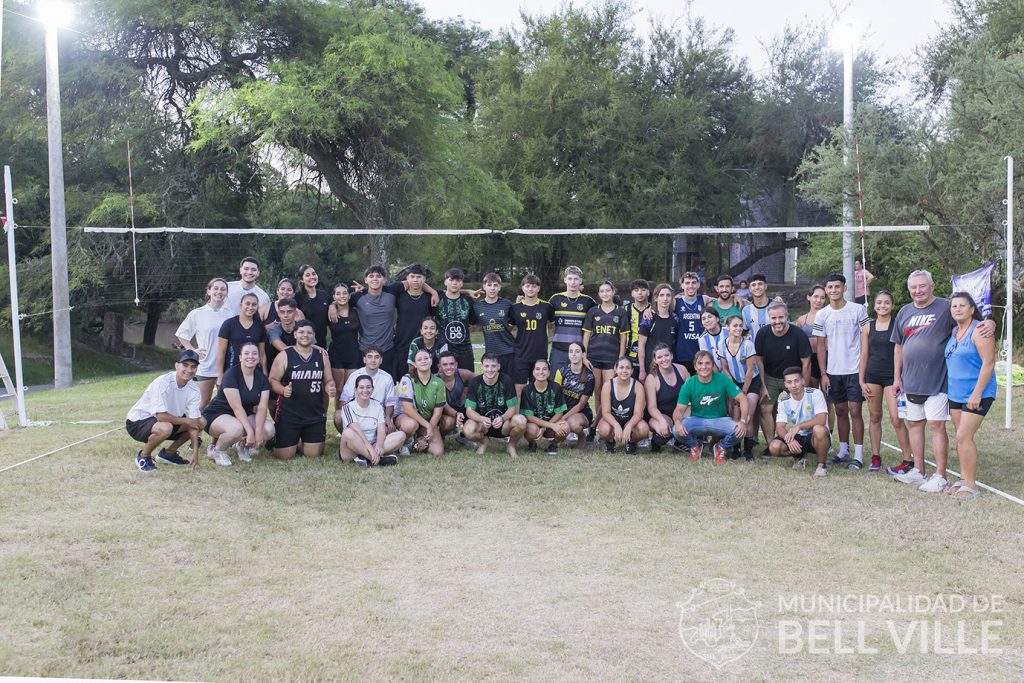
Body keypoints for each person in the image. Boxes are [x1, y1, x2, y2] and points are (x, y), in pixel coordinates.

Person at [891, 270, 994, 490]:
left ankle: (940, 475)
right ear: (909, 289)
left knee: (937, 426)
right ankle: (918, 471)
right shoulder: (904, 312)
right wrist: (896, 377)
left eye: (922, 286)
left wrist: (990, 323)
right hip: (911, 380)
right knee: (915, 424)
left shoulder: (946, 307)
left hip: (937, 379)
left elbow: (971, 317)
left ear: (932, 286)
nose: (918, 290)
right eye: (914, 287)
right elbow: (899, 346)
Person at [943, 292, 996, 499]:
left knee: (964, 436)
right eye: (954, 306)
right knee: (960, 438)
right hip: (956, 393)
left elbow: (989, 363)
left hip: (977, 394)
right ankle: (964, 479)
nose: (957, 309)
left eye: (962, 306)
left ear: (972, 309)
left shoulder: (980, 330)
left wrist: (977, 393)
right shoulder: (955, 330)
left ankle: (971, 486)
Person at [813, 273, 869, 468]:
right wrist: (823, 373)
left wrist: (863, 369)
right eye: (830, 287)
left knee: (855, 411)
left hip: (854, 369)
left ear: (845, 288)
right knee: (840, 410)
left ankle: (859, 455)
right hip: (833, 372)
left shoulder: (858, 310)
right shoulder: (822, 314)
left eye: (838, 286)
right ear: (826, 290)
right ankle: (844, 451)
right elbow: (820, 345)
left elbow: (866, 339)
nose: (834, 290)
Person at [858, 290, 912, 473]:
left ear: (892, 306)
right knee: (874, 416)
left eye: (887, 303)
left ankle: (907, 459)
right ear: (874, 306)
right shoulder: (867, 327)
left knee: (896, 419)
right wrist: (861, 380)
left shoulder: (898, 325)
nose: (883, 306)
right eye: (879, 302)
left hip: (892, 377)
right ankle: (875, 456)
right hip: (872, 376)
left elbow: (903, 353)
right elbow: (864, 355)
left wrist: (901, 377)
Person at [125, 350, 206, 471]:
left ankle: (169, 454)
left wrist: (195, 453)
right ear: (176, 365)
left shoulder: (194, 389)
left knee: (201, 421)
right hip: (137, 422)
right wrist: (188, 421)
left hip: (168, 421)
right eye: (185, 365)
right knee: (165, 427)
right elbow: (161, 416)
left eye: (193, 366)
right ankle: (143, 456)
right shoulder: (163, 381)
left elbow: (194, 423)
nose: (189, 370)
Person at [201, 342, 274, 466]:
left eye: (254, 353)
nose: (250, 356)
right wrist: (250, 432)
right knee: (236, 429)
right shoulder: (231, 375)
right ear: (240, 357)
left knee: (268, 429)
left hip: (241, 416)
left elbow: (262, 408)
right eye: (246, 353)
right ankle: (218, 451)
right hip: (217, 415)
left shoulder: (262, 379)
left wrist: (259, 431)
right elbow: (237, 407)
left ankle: (240, 446)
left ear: (258, 358)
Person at [753, 301, 812, 456]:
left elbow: (806, 362)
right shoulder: (762, 334)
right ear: (769, 318)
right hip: (770, 377)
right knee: (765, 408)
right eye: (773, 318)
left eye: (780, 317)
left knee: (802, 410)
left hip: (793, 378)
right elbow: (758, 359)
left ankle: (805, 443)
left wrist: (803, 384)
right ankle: (771, 443)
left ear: (787, 316)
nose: (777, 321)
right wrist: (763, 384)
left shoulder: (798, 334)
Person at [269, 320, 333, 459]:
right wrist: (282, 390)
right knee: (284, 456)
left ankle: (299, 441)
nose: (305, 335)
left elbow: (328, 380)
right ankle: (278, 441)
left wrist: (330, 387)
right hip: (289, 413)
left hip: (314, 414)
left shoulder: (322, 356)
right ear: (295, 335)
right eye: (301, 332)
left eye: (309, 332)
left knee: (314, 454)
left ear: (314, 335)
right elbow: (272, 380)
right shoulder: (285, 355)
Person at [672, 350, 749, 464]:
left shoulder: (722, 379)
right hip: (697, 420)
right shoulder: (689, 383)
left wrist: (742, 421)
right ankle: (695, 445)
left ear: (713, 365)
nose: (704, 367)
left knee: (740, 431)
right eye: (700, 363)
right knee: (676, 430)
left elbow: (742, 398)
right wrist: (677, 422)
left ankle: (720, 447)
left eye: (707, 363)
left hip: (719, 420)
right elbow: (679, 410)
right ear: (695, 366)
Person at [175, 277, 233, 409]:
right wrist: (192, 350)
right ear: (208, 291)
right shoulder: (197, 314)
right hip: (205, 367)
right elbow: (182, 335)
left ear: (227, 293)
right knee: (200, 404)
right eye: (216, 288)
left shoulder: (231, 314)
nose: (219, 292)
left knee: (225, 406)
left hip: (225, 368)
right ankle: (189, 429)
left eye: (223, 289)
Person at [768, 366, 831, 478]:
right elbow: (779, 428)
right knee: (774, 447)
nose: (793, 385)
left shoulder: (815, 393)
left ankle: (821, 466)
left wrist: (799, 426)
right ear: (785, 384)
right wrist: (789, 439)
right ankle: (799, 457)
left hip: (814, 437)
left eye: (796, 381)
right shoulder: (784, 401)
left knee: (819, 429)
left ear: (803, 381)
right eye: (789, 382)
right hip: (799, 437)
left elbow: (821, 419)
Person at [582, 280, 627, 429]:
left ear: (613, 292)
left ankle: (597, 424)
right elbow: (587, 336)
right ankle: (598, 423)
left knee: (607, 391)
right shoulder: (593, 311)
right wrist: (584, 355)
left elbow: (623, 338)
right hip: (594, 357)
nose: (605, 294)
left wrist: (620, 359)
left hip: (612, 358)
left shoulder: (620, 312)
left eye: (608, 290)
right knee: (597, 390)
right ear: (599, 294)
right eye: (602, 291)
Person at [463, 353, 527, 457]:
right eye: (487, 366)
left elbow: (512, 409)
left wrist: (502, 418)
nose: (490, 369)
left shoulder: (507, 381)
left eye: (493, 366)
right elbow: (469, 411)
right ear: (482, 366)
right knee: (468, 430)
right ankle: (483, 442)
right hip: (483, 425)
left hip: (504, 424)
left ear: (498, 366)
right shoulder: (475, 382)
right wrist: (481, 419)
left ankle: (511, 445)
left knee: (521, 421)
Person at [719, 314, 763, 459]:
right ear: (727, 328)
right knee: (735, 415)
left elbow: (750, 371)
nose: (738, 328)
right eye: (734, 326)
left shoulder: (748, 344)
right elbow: (724, 368)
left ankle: (748, 451)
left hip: (750, 383)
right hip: (734, 382)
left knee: (747, 415)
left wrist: (742, 392)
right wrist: (733, 388)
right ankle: (736, 449)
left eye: (740, 325)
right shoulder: (722, 344)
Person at [338, 374, 405, 467]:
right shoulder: (348, 407)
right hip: (352, 449)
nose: (365, 390)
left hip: (373, 445)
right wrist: (369, 448)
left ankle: (366, 459)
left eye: (368, 387)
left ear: (373, 389)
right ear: (355, 389)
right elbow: (357, 431)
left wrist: (379, 445)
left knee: (401, 435)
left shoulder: (377, 406)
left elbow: (381, 430)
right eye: (361, 387)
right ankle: (378, 459)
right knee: (347, 433)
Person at [389, 264, 439, 381]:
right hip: (402, 342)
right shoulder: (399, 295)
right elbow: (379, 290)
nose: (416, 280)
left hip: (422, 343)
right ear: (407, 278)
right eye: (412, 276)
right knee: (403, 380)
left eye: (419, 277)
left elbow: (451, 291)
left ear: (424, 279)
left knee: (422, 379)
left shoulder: (429, 297)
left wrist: (467, 291)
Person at [395, 349, 447, 455]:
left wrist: (425, 435)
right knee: (410, 425)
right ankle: (405, 441)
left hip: (426, 420)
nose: (423, 361)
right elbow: (408, 409)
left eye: (426, 358)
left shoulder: (439, 382)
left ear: (431, 361)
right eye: (419, 359)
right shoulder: (407, 379)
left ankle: (417, 441)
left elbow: (438, 413)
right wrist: (428, 426)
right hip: (407, 417)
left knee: (438, 452)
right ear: (414, 364)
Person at [336, 346, 399, 434]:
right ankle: (349, 441)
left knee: (391, 433)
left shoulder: (387, 378)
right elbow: (344, 400)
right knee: (338, 416)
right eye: (369, 356)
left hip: (378, 416)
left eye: (376, 357)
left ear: (381, 360)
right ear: (364, 359)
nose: (373, 360)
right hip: (357, 414)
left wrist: (388, 419)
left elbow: (390, 402)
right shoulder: (355, 375)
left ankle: (377, 444)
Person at [510, 274, 553, 395]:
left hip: (539, 354)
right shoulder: (515, 308)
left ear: (538, 288)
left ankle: (536, 414)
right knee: (519, 389)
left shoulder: (546, 307)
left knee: (539, 389)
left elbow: (558, 323)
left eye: (534, 286)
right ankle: (518, 414)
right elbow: (507, 327)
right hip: (521, 355)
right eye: (527, 286)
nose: (530, 289)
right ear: (523, 288)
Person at [549, 265, 596, 373]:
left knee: (576, 385)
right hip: (558, 349)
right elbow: (541, 312)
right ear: (565, 280)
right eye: (570, 278)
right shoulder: (555, 299)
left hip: (578, 351)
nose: (573, 282)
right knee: (556, 383)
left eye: (576, 279)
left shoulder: (588, 301)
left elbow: (603, 310)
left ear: (580, 281)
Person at [598, 356, 649, 453]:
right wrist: (616, 425)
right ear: (615, 370)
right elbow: (606, 412)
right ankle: (610, 442)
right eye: (621, 368)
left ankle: (631, 443)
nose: (624, 371)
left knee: (643, 429)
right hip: (612, 421)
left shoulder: (638, 386)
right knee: (604, 429)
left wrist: (629, 425)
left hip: (630, 421)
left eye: (628, 368)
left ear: (632, 371)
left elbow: (638, 413)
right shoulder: (608, 385)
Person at [216, 292, 268, 386]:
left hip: (253, 373)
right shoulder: (229, 324)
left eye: (254, 304)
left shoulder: (259, 326)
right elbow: (221, 352)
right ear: (241, 305)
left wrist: (264, 373)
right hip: (231, 372)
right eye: (247, 304)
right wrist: (220, 375)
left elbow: (262, 353)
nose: (250, 307)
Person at [520, 359, 570, 455]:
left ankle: (554, 444)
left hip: (551, 424)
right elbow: (529, 417)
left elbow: (559, 412)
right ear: (533, 373)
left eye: (544, 369)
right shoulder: (527, 390)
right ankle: (532, 444)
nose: (541, 372)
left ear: (549, 373)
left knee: (565, 427)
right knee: (529, 428)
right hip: (535, 425)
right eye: (537, 369)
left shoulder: (556, 387)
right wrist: (548, 425)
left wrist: (545, 427)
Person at [434, 268, 478, 373]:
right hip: (444, 348)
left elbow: (473, 321)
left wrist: (467, 292)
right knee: (443, 382)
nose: (454, 283)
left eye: (458, 280)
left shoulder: (468, 301)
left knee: (467, 381)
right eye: (451, 280)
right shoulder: (437, 299)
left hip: (465, 350)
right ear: (445, 282)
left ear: (462, 283)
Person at [645, 343, 686, 452]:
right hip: (662, 414)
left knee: (691, 422)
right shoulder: (652, 378)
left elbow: (691, 395)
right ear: (655, 360)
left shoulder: (682, 370)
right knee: (662, 435)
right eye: (659, 357)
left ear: (672, 355)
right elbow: (651, 407)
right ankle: (656, 439)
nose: (664, 359)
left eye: (666, 355)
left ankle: (679, 440)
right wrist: (662, 421)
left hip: (680, 412)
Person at [553, 341, 595, 445]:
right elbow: (555, 397)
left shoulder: (589, 377)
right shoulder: (561, 372)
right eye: (571, 351)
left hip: (581, 413)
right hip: (561, 410)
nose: (574, 354)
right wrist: (557, 416)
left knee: (573, 424)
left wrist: (563, 418)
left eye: (577, 351)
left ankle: (581, 435)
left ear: (583, 355)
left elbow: (581, 405)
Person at [474, 272, 516, 374]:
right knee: (493, 383)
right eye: (489, 285)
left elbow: (513, 322)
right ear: (484, 287)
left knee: (509, 383)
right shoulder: (477, 306)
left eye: (495, 285)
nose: (492, 288)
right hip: (491, 353)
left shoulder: (506, 304)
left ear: (499, 287)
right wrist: (467, 292)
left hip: (508, 351)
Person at [671, 272, 713, 374]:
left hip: (700, 352)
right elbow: (659, 305)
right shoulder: (676, 301)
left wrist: (735, 296)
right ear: (682, 285)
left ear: (698, 285)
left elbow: (722, 301)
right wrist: (649, 309)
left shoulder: (703, 299)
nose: (691, 286)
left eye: (694, 283)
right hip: (682, 353)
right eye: (687, 283)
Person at [638, 283, 680, 382]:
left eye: (668, 295)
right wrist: (642, 369)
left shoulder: (675, 319)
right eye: (661, 295)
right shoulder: (649, 318)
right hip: (651, 366)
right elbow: (641, 345)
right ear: (656, 298)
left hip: (668, 365)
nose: (665, 299)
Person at [326, 283, 361, 390]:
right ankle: (338, 408)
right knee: (339, 390)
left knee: (351, 389)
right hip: (336, 355)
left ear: (349, 296)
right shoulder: (329, 313)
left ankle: (350, 408)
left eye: (345, 293)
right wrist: (332, 306)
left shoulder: (356, 312)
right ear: (334, 297)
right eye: (338, 294)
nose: (342, 296)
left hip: (353, 354)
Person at [795, 285, 827, 389]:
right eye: (816, 296)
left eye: (822, 298)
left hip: (826, 358)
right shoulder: (801, 320)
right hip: (809, 360)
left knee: (827, 393)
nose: (819, 300)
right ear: (809, 297)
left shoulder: (829, 316)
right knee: (811, 390)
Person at [295, 264, 331, 346]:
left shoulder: (324, 295)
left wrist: (333, 305)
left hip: (322, 343)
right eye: (308, 275)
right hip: (304, 343)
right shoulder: (297, 298)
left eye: (314, 274)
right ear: (301, 280)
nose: (312, 277)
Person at [436, 352, 468, 438]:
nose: (449, 367)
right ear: (439, 366)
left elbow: (479, 381)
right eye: (445, 364)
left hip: (460, 410)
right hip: (442, 413)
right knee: (449, 422)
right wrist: (456, 414)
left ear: (456, 364)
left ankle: (464, 436)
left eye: (451, 364)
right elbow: (444, 404)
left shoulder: (463, 374)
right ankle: (440, 436)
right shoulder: (435, 380)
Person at [624, 279, 651, 377]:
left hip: (649, 355)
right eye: (636, 290)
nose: (640, 293)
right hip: (630, 355)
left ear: (648, 292)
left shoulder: (654, 309)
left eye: (643, 290)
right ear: (632, 293)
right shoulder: (626, 309)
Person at [265, 297, 299, 373]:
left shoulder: (303, 329)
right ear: (278, 314)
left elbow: (312, 350)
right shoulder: (273, 330)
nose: (285, 315)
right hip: (276, 371)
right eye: (282, 312)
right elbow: (284, 348)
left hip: (298, 371)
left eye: (289, 312)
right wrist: (310, 347)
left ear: (296, 313)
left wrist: (314, 347)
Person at [741, 274, 772, 339]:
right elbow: (744, 332)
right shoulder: (746, 310)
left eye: (760, 284)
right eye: (753, 285)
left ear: (765, 286)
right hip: (755, 348)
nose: (757, 287)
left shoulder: (776, 306)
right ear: (749, 289)